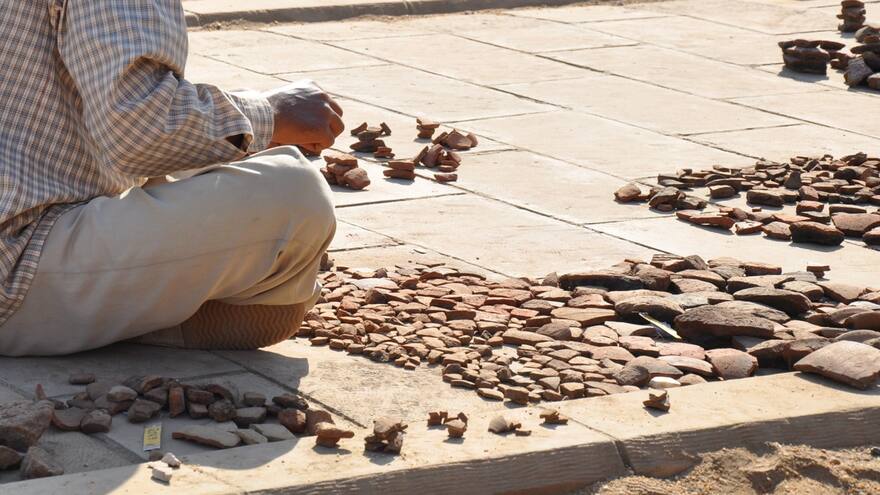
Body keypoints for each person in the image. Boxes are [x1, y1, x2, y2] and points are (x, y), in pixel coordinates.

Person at [0, 1, 343, 356]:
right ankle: (146, 318)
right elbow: (138, 130)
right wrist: (270, 114)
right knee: (293, 193)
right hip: (15, 268)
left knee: (216, 153)